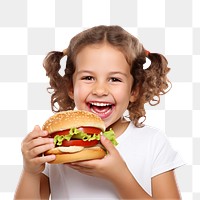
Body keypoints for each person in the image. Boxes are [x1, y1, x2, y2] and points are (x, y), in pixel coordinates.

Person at [15, 25, 184, 199]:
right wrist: (30, 171)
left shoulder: (153, 143)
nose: (100, 90)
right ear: (71, 88)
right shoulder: (53, 145)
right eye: (88, 78)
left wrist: (120, 176)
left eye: (114, 79)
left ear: (134, 90)